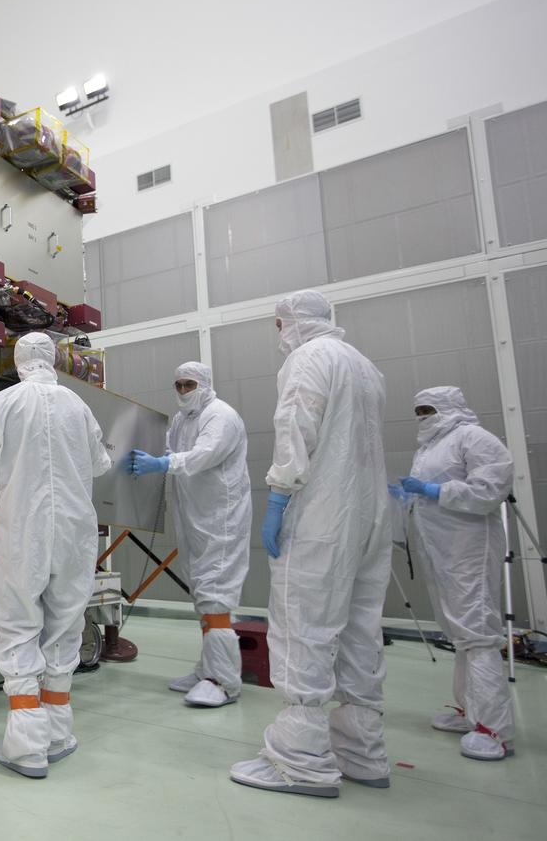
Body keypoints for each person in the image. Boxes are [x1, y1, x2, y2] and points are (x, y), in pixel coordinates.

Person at [229, 290, 393, 798]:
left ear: (292, 321)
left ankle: (300, 761)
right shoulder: (363, 365)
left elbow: (296, 429)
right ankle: (362, 752)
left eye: (279, 324)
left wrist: (279, 495)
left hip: (322, 512)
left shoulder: (308, 359)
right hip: (369, 515)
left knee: (304, 626)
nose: (279, 334)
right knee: (360, 629)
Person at [0, 332, 112, 779]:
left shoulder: (3, 403)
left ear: (19, 360)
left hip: (24, 529)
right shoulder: (78, 406)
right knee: (65, 621)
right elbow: (100, 464)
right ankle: (58, 732)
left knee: (18, 621)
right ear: (54, 360)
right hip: (74, 531)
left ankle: (26, 745)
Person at [396, 386, 515, 761]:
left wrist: (434, 490)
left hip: (469, 549)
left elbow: (490, 490)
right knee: (461, 634)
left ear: (450, 407)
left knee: (477, 634)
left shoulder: (474, 438)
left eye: (428, 409)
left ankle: (494, 730)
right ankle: (470, 712)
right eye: (418, 410)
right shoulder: (429, 447)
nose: (422, 416)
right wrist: (411, 495)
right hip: (441, 551)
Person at [129, 361, 251, 708]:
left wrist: (162, 464)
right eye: (178, 385)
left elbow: (203, 455)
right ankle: (207, 670)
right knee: (202, 594)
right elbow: (174, 452)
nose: (183, 391)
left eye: (189, 385)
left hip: (221, 518)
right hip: (193, 516)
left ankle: (223, 681)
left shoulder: (221, 416)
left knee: (216, 596)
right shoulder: (182, 420)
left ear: (205, 384)